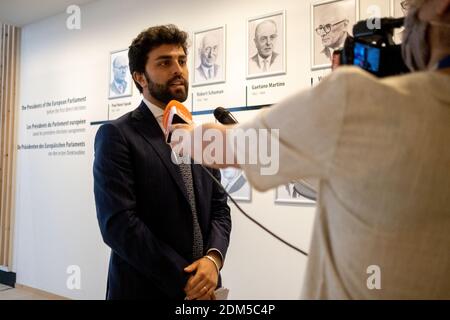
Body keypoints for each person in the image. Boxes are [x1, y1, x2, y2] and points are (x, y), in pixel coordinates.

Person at [172, 0, 450, 299]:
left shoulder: (357, 99)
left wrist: (184, 135)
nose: (407, 24)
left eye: (412, 9)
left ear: (442, 7)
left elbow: (223, 148)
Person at [94, 24, 231, 300]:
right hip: (146, 289)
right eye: (164, 62)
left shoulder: (199, 134)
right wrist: (189, 279)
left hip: (204, 286)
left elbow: (219, 207)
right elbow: (120, 225)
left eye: (181, 61)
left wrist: (213, 260)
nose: (178, 69)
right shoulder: (118, 135)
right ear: (139, 77)